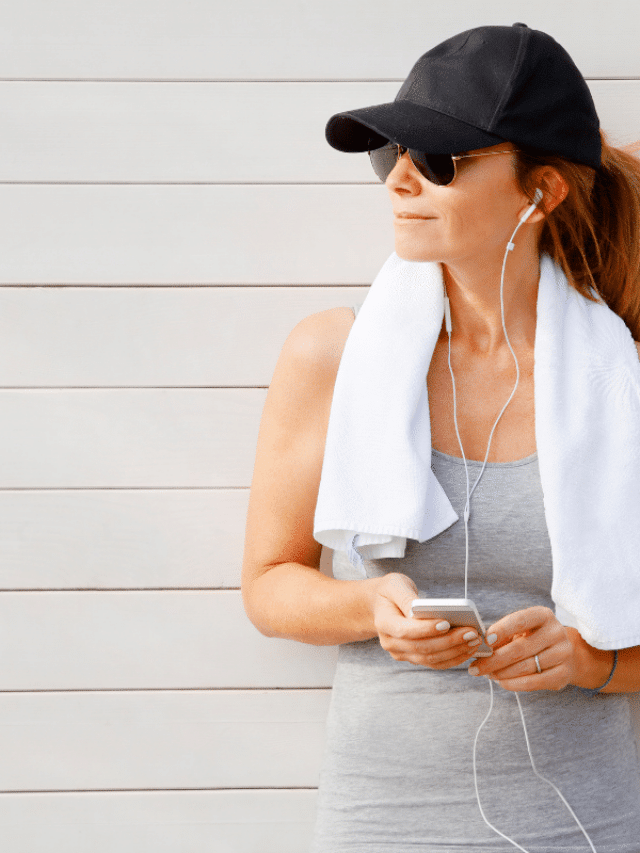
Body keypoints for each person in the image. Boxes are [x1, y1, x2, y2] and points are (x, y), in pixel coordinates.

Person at [241, 22, 640, 852]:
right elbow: (269, 584)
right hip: (379, 822)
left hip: (585, 818)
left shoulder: (624, 382)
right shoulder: (332, 355)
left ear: (544, 192)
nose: (401, 182)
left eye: (441, 160)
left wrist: (591, 662)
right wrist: (368, 607)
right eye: (392, 157)